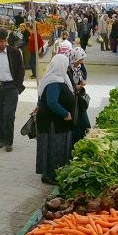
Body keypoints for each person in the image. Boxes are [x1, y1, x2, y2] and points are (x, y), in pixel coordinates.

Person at [35, 55, 75, 185]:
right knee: (53, 148)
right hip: (53, 123)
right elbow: (52, 102)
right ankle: (50, 175)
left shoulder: (59, 78)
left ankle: (55, 172)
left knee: (55, 148)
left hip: (56, 123)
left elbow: (42, 98)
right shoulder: (54, 81)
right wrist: (65, 114)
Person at [67, 47, 90, 146]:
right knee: (76, 121)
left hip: (79, 98)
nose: (81, 61)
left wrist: (83, 80)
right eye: (80, 59)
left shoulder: (80, 65)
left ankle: (82, 140)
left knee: (84, 122)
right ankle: (75, 143)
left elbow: (84, 73)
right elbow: (67, 82)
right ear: (74, 58)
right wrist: (74, 86)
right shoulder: (67, 69)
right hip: (71, 100)